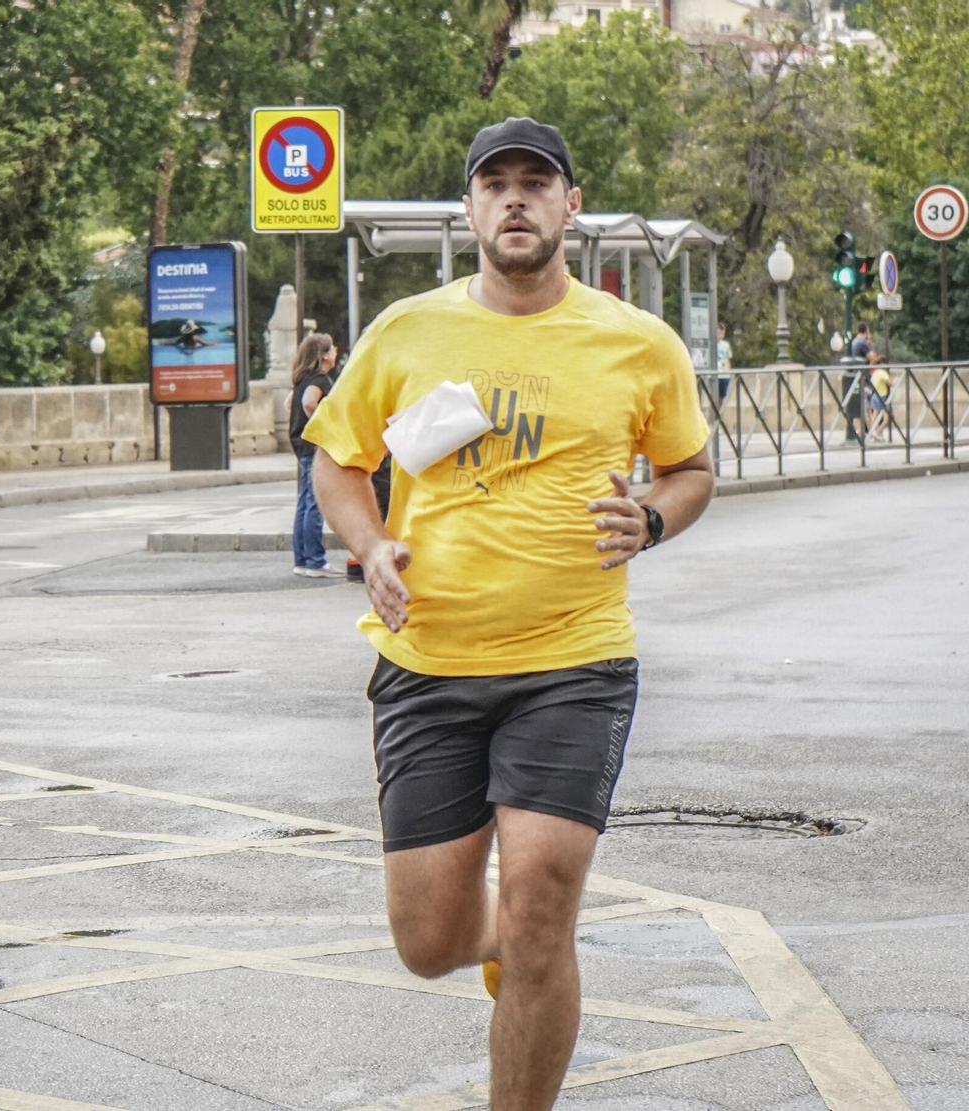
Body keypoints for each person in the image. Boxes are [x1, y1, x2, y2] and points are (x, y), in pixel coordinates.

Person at [304, 116, 715, 1111]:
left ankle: (526, 977)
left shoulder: (636, 343)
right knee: (428, 942)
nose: (517, 198)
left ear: (572, 206)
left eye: (538, 182)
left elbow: (692, 470)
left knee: (541, 904)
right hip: (428, 664)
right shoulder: (407, 330)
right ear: (471, 208)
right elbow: (338, 462)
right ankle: (500, 945)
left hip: (574, 663)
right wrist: (371, 545)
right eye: (497, 184)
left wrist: (650, 518)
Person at [287, 332, 344, 578]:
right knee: (315, 503)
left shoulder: (302, 378)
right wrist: (323, 427)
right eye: (332, 349)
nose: (335, 353)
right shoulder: (320, 379)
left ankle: (302, 559)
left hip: (300, 444)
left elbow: (290, 403)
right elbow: (309, 403)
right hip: (313, 445)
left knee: (304, 502)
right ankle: (315, 561)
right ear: (323, 356)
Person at [845, 322, 875, 441]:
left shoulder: (854, 342)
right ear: (866, 330)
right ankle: (871, 432)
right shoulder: (863, 344)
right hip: (863, 378)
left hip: (854, 377)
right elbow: (873, 358)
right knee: (867, 405)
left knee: (858, 405)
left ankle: (860, 431)